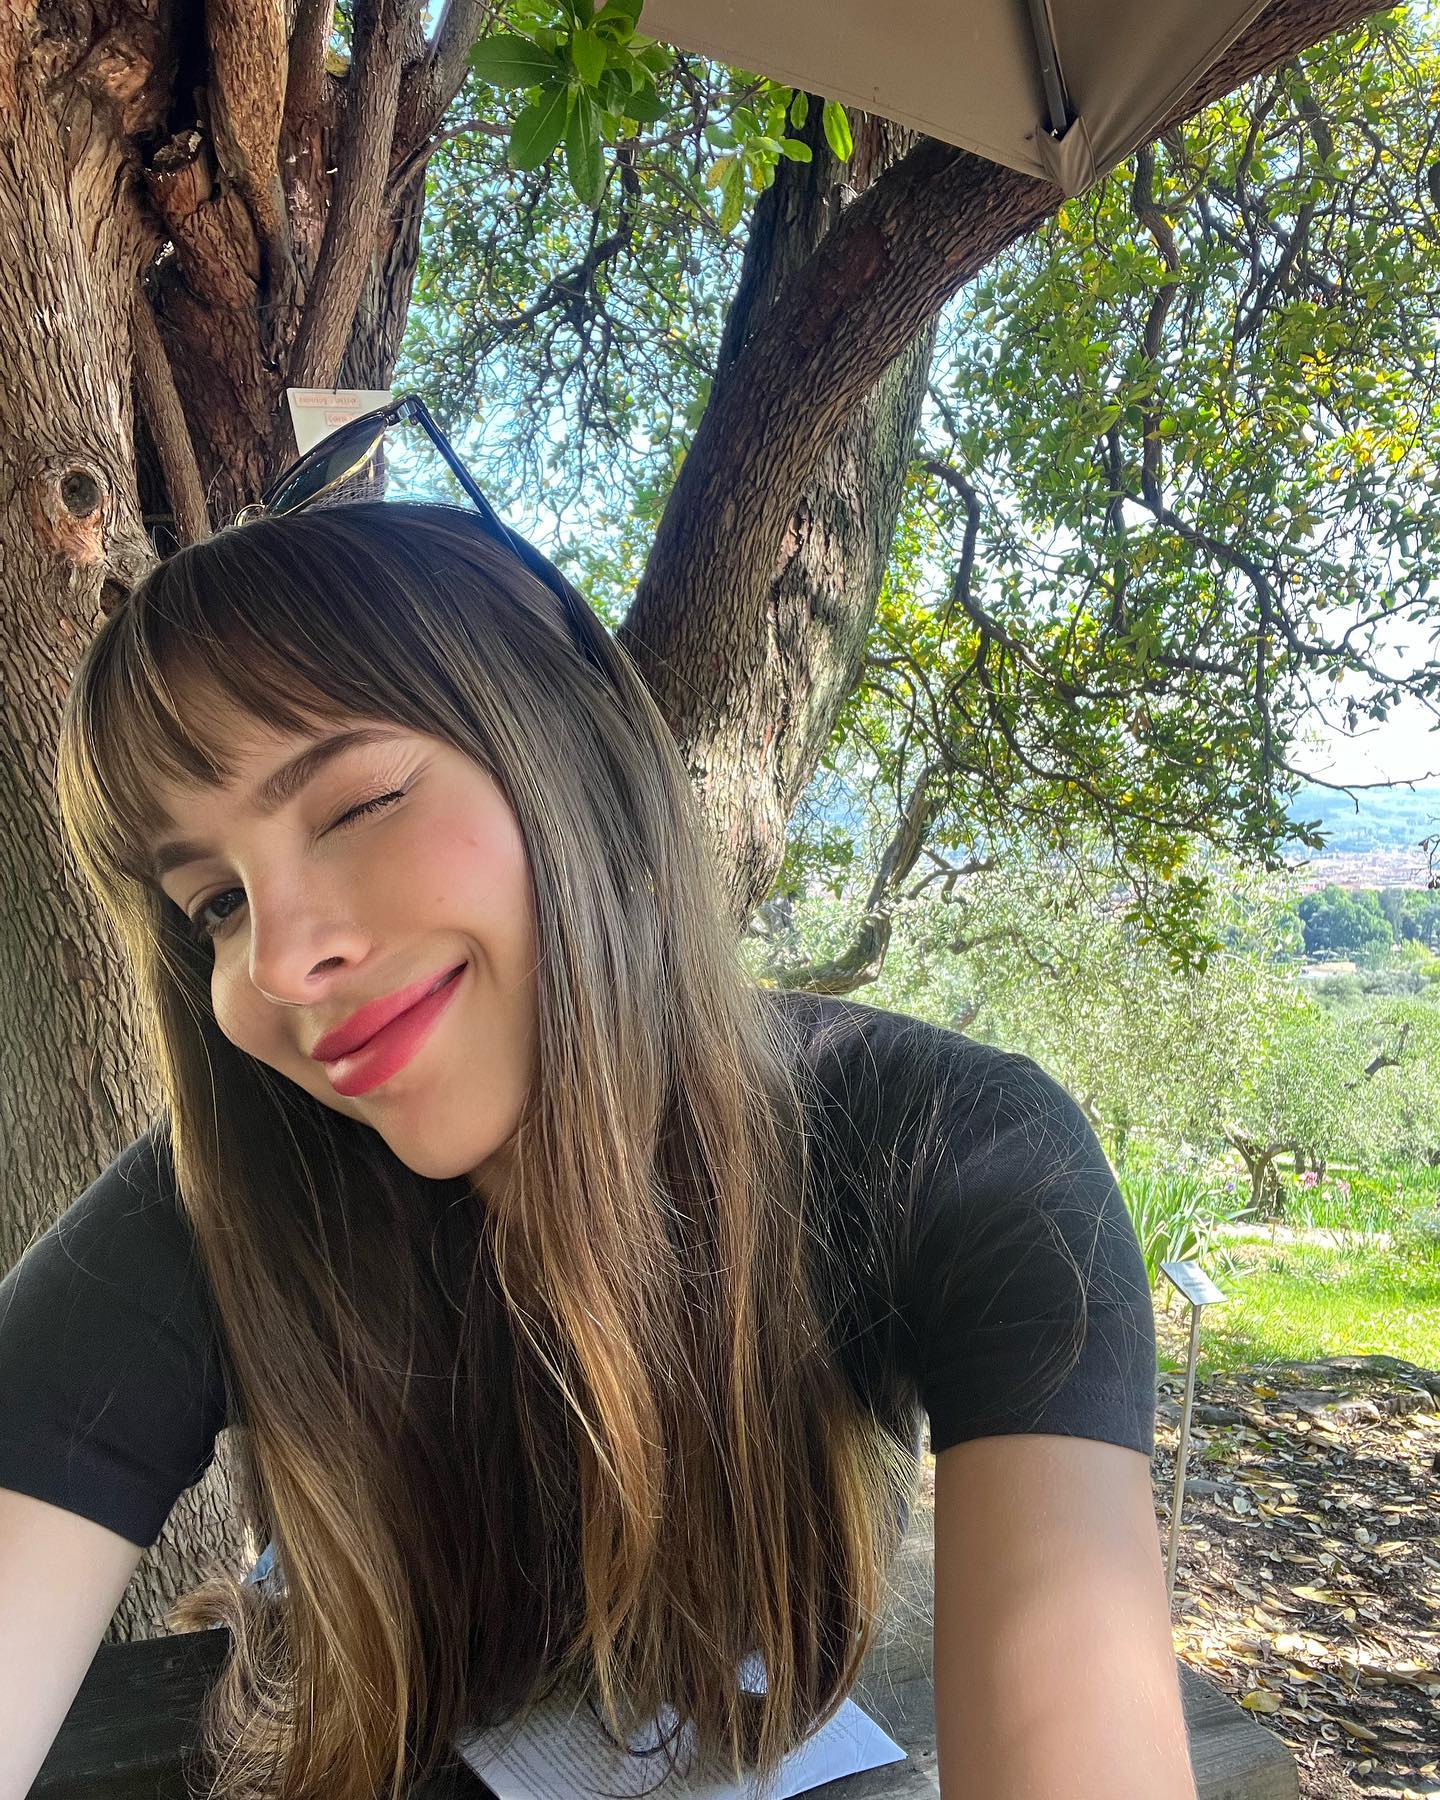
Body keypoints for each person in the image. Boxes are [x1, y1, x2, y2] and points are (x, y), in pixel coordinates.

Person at [0, 432, 1196, 1800]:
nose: (278, 961)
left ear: (576, 758)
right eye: (215, 901)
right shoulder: (235, 1192)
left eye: (359, 803)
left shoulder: (954, 1155)